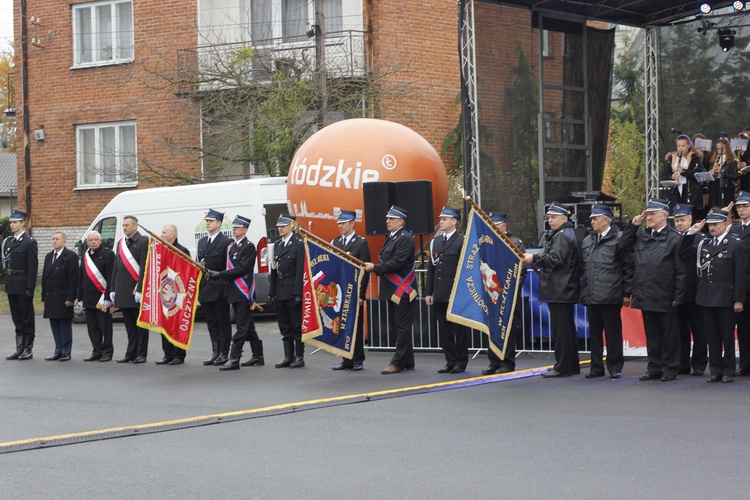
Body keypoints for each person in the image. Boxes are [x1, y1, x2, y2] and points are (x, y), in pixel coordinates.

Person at [620, 199, 687, 382]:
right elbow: (622, 246)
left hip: (666, 294)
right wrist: (633, 226)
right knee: (652, 335)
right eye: (647, 214)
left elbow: (681, 270)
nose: (648, 217)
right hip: (646, 292)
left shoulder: (674, 238)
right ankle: (654, 367)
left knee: (669, 336)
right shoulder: (642, 236)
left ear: (664, 215)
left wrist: (678, 294)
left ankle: (670, 368)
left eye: (652, 214)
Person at [685, 209, 745, 383]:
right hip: (707, 297)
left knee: (726, 336)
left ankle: (728, 370)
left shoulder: (735, 244)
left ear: (725, 224)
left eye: (716, 224)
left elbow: (741, 274)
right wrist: (691, 233)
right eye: (710, 225)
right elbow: (683, 252)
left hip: (726, 297)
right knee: (712, 337)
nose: (712, 228)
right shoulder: (705, 244)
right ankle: (716, 370)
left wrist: (739, 299)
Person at [523, 202, 582, 378]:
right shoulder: (564, 234)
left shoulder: (562, 236)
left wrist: (535, 257)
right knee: (567, 329)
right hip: (563, 288)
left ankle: (563, 366)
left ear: (564, 218)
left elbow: (556, 259)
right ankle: (570, 364)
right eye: (549, 217)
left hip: (560, 288)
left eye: (553, 217)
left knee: (562, 330)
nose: (550, 220)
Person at [580, 205, 631, 379]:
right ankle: (596, 367)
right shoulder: (587, 240)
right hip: (593, 293)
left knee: (612, 333)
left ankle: (615, 366)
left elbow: (627, 267)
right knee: (594, 333)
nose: (592, 222)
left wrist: (626, 293)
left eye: (595, 218)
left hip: (611, 293)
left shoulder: (619, 239)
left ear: (605, 219)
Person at [364, 206, 416, 375]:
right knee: (397, 326)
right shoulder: (392, 237)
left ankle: (397, 362)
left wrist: (375, 268)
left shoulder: (405, 238)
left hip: (402, 290)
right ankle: (407, 360)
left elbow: (397, 262)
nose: (387, 221)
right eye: (387, 218)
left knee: (402, 327)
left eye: (391, 219)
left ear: (401, 221)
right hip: (392, 289)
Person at [207, 215, 263, 371]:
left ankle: (234, 358)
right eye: (233, 227)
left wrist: (220, 274)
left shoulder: (249, 247)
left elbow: (242, 269)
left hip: (243, 290)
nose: (234, 229)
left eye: (238, 227)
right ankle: (258, 356)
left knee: (241, 326)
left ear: (245, 229)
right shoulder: (231, 247)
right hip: (233, 290)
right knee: (248, 325)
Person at [425, 206, 468, 374]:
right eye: (441, 218)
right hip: (440, 293)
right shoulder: (436, 241)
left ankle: (461, 361)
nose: (441, 221)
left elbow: (466, 269)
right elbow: (432, 269)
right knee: (444, 330)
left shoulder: (461, 241)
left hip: (456, 293)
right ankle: (450, 360)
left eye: (444, 219)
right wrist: (429, 292)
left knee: (459, 330)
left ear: (454, 221)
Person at [482, 212, 526, 375]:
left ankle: (507, 362)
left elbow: (521, 271)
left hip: (508, 294)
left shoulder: (514, 243)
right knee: (492, 328)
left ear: (504, 226)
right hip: (492, 293)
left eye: (496, 224)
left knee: (507, 329)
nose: (493, 227)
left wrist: (509, 290)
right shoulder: (487, 243)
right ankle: (494, 361)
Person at [330, 209, 371, 371]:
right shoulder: (337, 242)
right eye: (339, 223)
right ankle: (345, 358)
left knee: (355, 326)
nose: (340, 226)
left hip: (354, 291)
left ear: (352, 223)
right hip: (340, 291)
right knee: (341, 325)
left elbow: (364, 271)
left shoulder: (361, 243)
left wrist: (361, 295)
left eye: (343, 223)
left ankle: (357, 359)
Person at [671, 204, 707, 376]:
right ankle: (682, 363)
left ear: (690, 220)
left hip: (695, 292)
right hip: (678, 292)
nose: (679, 224)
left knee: (699, 330)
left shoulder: (700, 239)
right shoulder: (671, 238)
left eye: (683, 220)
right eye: (677, 220)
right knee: (680, 331)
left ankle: (699, 364)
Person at [109, 215, 149, 364]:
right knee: (129, 326)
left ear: (135, 226)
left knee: (140, 325)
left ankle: (141, 353)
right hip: (123, 291)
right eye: (123, 225)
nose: (124, 227)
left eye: (127, 225)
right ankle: (130, 352)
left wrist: (140, 288)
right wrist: (113, 288)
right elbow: (116, 267)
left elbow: (144, 267)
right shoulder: (121, 243)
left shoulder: (143, 241)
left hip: (135, 291)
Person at [196, 209, 232, 366]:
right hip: (205, 288)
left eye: (211, 221)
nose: (208, 223)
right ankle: (215, 351)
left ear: (219, 223)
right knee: (211, 322)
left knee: (222, 322)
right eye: (207, 221)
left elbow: (229, 267)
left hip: (219, 287)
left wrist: (225, 285)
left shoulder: (226, 242)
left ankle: (224, 352)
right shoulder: (202, 242)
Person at [269, 214, 305, 369]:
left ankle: (299, 357)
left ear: (291, 226)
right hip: (280, 288)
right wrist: (272, 293)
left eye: (283, 225)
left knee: (296, 325)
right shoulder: (277, 245)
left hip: (292, 289)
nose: (280, 228)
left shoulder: (298, 244)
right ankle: (288, 356)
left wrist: (298, 293)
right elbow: (273, 270)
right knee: (284, 325)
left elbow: (299, 270)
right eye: (278, 226)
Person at [4, 209, 38, 361]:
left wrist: (30, 288)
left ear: (23, 223)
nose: (12, 225)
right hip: (12, 284)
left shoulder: (29, 242)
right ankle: (19, 348)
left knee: (26, 318)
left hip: (23, 285)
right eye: (11, 222)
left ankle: (28, 348)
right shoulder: (9, 241)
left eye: (15, 222)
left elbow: (33, 267)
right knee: (17, 318)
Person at [155, 224, 190, 366]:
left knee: (177, 324)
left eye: (164, 232)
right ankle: (168, 354)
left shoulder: (182, 251)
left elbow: (187, 272)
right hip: (164, 292)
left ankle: (179, 354)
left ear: (173, 235)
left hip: (178, 294)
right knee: (165, 323)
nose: (161, 235)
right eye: (161, 232)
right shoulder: (160, 251)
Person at [41, 231, 78, 362]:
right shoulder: (49, 256)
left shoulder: (71, 256)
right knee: (54, 324)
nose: (54, 241)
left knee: (64, 325)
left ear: (64, 242)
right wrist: (43, 296)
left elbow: (73, 279)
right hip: (51, 296)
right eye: (53, 239)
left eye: (57, 239)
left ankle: (66, 351)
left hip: (63, 297)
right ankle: (58, 350)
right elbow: (44, 278)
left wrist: (70, 298)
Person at [78, 231, 115, 362]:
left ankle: (107, 352)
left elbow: (111, 276)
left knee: (105, 327)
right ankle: (97, 350)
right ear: (87, 242)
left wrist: (108, 297)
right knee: (92, 328)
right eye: (91, 240)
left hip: (102, 298)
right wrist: (80, 297)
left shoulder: (108, 254)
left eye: (96, 240)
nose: (93, 242)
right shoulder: (85, 256)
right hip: (88, 297)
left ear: (100, 241)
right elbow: (81, 277)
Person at [730, 191, 750, 375]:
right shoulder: (734, 230)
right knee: (742, 328)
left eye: (745, 206)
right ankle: (745, 364)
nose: (742, 209)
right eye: (740, 206)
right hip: (740, 285)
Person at [663, 134, 704, 210]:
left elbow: (699, 175)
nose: (681, 148)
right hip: (675, 192)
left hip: (690, 192)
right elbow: (666, 175)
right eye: (678, 146)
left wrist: (684, 171)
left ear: (688, 145)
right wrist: (672, 176)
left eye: (683, 146)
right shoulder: (672, 159)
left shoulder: (694, 158)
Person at [707, 137, 738, 210]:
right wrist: (710, 174)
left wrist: (722, 171)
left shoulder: (732, 161)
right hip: (715, 188)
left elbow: (735, 176)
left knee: (726, 210)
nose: (719, 151)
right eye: (717, 149)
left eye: (722, 148)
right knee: (715, 210)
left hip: (726, 188)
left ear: (727, 148)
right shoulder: (713, 161)